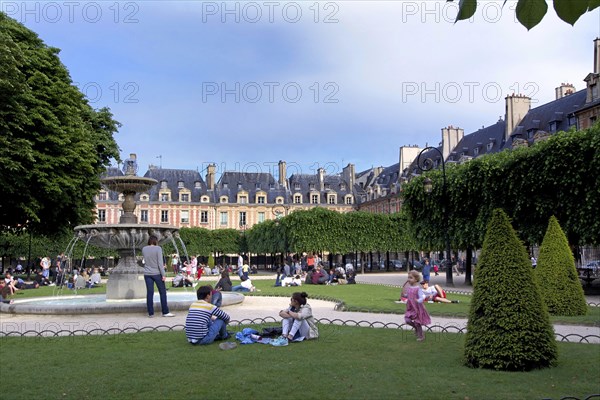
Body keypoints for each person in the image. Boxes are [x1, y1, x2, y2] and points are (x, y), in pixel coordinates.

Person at [141, 235, 174, 318]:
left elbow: (145, 261)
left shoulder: (144, 249)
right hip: (156, 273)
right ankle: (165, 312)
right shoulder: (158, 248)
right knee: (162, 292)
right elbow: (160, 263)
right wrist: (163, 274)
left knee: (149, 293)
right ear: (156, 241)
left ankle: (150, 313)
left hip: (147, 273)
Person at [403, 270, 431, 341]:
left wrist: (418, 300)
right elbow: (407, 295)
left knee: (417, 322)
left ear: (416, 279)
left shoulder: (418, 288)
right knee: (407, 320)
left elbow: (423, 297)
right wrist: (404, 294)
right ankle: (415, 328)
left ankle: (421, 336)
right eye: (408, 277)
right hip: (410, 307)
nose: (409, 279)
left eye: (410, 278)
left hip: (417, 308)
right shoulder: (409, 288)